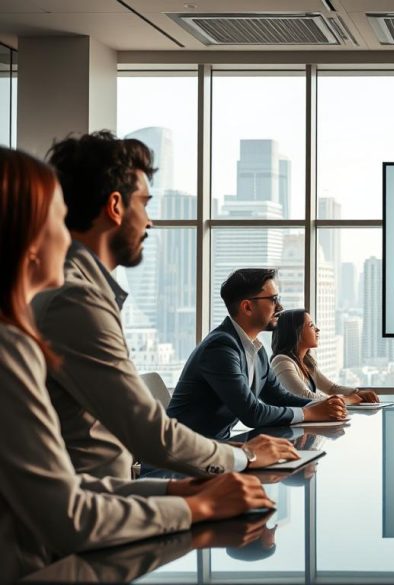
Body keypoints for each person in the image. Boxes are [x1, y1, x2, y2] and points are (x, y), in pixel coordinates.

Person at [0, 147, 273, 581]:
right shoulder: (52, 315)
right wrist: (199, 500)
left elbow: (61, 487)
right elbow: (70, 510)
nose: (64, 233)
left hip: (94, 523)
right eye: (56, 216)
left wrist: (173, 490)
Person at [31, 131, 298, 479]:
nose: (149, 220)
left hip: (115, 494)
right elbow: (148, 430)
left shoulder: (82, 290)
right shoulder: (76, 299)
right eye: (144, 203)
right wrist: (243, 456)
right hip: (99, 509)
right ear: (115, 207)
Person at [167, 269, 348, 440]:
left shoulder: (257, 350)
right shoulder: (220, 347)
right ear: (247, 307)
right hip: (179, 460)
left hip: (213, 449)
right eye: (273, 299)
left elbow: (278, 397)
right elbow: (252, 413)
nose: (280, 307)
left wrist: (322, 406)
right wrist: (311, 413)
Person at [269, 308, 379, 403]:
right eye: (311, 325)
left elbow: (331, 388)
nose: (317, 329)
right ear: (295, 332)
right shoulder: (282, 362)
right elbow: (305, 397)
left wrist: (357, 393)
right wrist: (347, 400)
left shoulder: (306, 362)